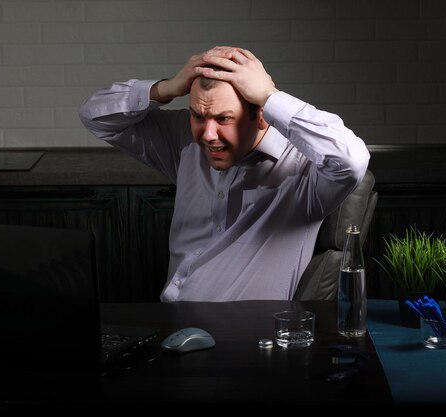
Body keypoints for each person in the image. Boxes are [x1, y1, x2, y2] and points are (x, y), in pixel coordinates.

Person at [79, 46, 370, 302]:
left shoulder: (304, 168)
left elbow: (352, 159)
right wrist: (166, 88)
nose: (207, 135)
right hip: (171, 327)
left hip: (243, 343)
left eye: (224, 119)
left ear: (260, 114)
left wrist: (270, 96)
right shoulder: (184, 142)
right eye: (198, 115)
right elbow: (95, 117)